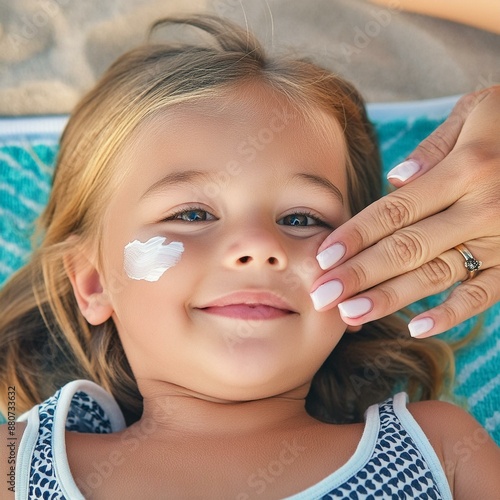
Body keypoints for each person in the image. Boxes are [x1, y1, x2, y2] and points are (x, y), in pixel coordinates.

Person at [0, 14, 499, 499]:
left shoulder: (440, 450)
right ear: (92, 282)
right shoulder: (14, 465)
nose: (259, 247)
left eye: (301, 220)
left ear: (371, 269)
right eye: (192, 214)